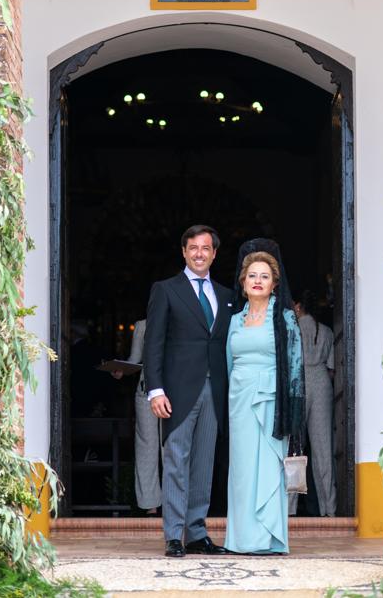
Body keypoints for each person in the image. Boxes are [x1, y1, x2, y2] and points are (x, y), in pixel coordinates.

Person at [143, 224, 234, 558]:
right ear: (184, 252)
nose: (199, 254)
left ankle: (196, 533)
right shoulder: (166, 290)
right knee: (176, 461)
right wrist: (155, 390)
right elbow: (154, 343)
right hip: (178, 390)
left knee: (204, 463)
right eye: (193, 248)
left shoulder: (226, 296)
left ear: (214, 253)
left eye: (205, 248)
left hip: (215, 390)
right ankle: (173, 535)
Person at [225, 244, 304, 555]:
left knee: (270, 469)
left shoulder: (285, 318)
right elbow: (228, 364)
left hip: (273, 401)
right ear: (243, 282)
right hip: (239, 400)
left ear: (274, 284)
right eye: (252, 276)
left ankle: (270, 539)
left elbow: (295, 366)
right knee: (243, 471)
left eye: (265, 276)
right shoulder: (234, 320)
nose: (258, 281)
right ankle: (242, 540)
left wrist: (294, 412)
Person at [291, 290, 336, 517]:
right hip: (322, 383)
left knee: (294, 449)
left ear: (299, 307)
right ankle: (330, 509)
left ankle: (289, 510)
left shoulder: (292, 330)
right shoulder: (326, 331)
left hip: (297, 383)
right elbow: (332, 369)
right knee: (323, 450)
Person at [113, 319, 161, 514]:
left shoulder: (182, 317)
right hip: (145, 391)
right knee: (147, 447)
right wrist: (121, 370)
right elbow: (135, 358)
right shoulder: (142, 326)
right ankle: (150, 505)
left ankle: (175, 503)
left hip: (176, 392)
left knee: (172, 447)